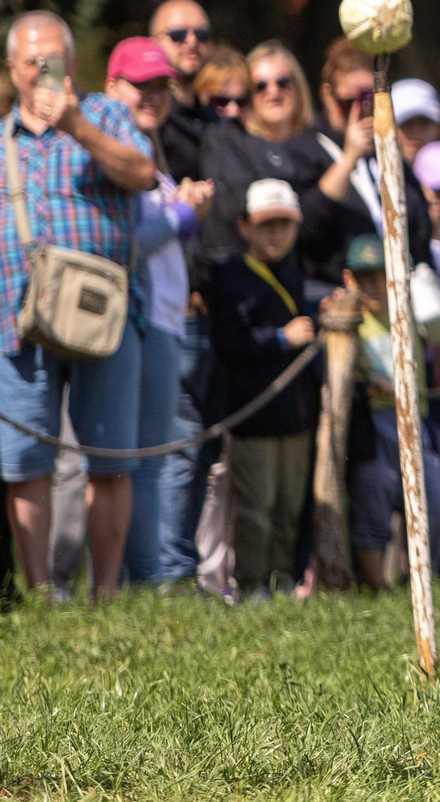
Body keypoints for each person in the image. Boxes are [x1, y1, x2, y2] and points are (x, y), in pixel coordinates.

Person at [0, 12, 160, 603]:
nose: (41, 70)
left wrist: (76, 126)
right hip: (14, 322)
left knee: (110, 461)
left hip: (104, 318)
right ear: (11, 69)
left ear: (71, 61)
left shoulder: (107, 115)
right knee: (25, 465)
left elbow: (145, 175)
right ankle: (41, 596)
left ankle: (106, 596)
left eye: (53, 58)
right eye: (30, 61)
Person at [104, 37, 213, 586]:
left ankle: (146, 580)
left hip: (165, 322)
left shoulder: (150, 152)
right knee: (138, 461)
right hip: (138, 322)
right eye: (139, 85)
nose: (152, 96)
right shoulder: (113, 152)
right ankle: (147, 583)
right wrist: (184, 216)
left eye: (160, 86)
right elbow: (124, 241)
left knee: (152, 459)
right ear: (111, 87)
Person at [206, 180, 323, 600]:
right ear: (245, 226)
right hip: (253, 414)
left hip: (295, 412)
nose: (276, 233)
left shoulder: (294, 274)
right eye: (266, 224)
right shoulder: (231, 277)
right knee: (256, 507)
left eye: (284, 224)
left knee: (289, 507)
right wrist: (279, 339)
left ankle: (281, 579)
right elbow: (228, 344)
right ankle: (254, 584)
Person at [160, 45, 249, 588]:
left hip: (231, 312)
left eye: (241, 101)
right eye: (220, 100)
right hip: (189, 311)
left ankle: (194, 571)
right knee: (182, 445)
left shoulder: (234, 143)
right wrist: (194, 284)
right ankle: (169, 573)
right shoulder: (174, 136)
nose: (232, 110)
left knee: (209, 448)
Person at [341, 234, 440, 588]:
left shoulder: (409, 316)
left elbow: (438, 329)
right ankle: (378, 588)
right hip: (370, 424)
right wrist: (367, 383)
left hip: (412, 422)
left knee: (437, 505)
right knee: (373, 501)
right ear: (350, 280)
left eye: (381, 275)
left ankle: (419, 582)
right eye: (365, 277)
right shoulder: (348, 320)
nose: (375, 285)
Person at [199, 43, 352, 277]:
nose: (273, 92)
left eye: (283, 82)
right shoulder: (227, 150)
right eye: (260, 86)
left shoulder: (324, 142)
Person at [311, 39, 432, 280]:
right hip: (339, 290)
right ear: (327, 94)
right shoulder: (306, 148)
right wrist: (348, 160)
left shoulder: (386, 151)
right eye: (348, 103)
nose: (361, 111)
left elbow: (420, 229)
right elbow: (309, 227)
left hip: (398, 291)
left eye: (368, 101)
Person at [147, 0, 216, 185]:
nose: (192, 41)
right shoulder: (147, 116)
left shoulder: (219, 115)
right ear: (153, 43)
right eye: (178, 34)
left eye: (201, 34)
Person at [391, 80, 440, 156]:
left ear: (438, 128)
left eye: (424, 122)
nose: (416, 130)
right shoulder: (374, 167)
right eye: (407, 123)